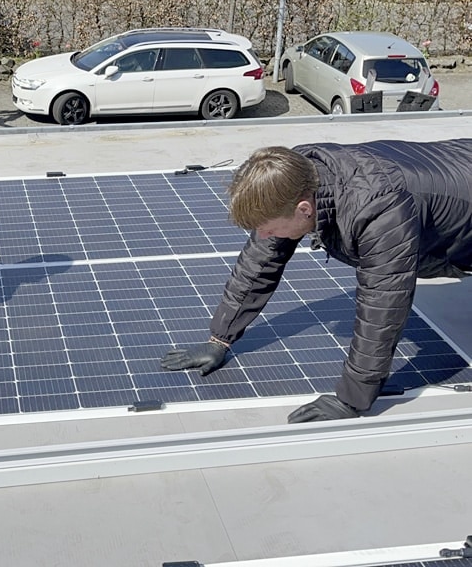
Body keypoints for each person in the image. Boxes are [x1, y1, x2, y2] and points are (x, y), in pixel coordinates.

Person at [160, 141, 472, 423]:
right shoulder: (295, 179)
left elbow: (383, 304)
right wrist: (220, 339)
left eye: (267, 229)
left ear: (304, 209)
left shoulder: (379, 209)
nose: (263, 236)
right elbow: (260, 261)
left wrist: (352, 399)